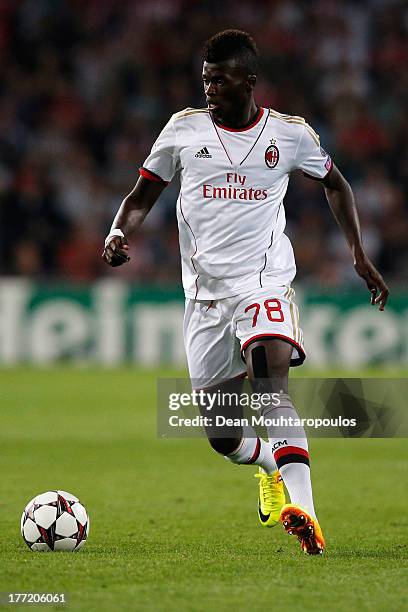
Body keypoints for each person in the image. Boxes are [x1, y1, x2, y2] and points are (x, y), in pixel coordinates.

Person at [103, 30, 389, 555]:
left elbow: (336, 184)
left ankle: (304, 506)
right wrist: (120, 232)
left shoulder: (290, 135)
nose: (210, 87)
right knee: (222, 437)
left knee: (270, 382)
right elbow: (141, 195)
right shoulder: (182, 132)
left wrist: (358, 254)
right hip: (204, 298)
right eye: (205, 78)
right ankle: (268, 469)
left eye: (220, 78)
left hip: (263, 281)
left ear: (249, 80)